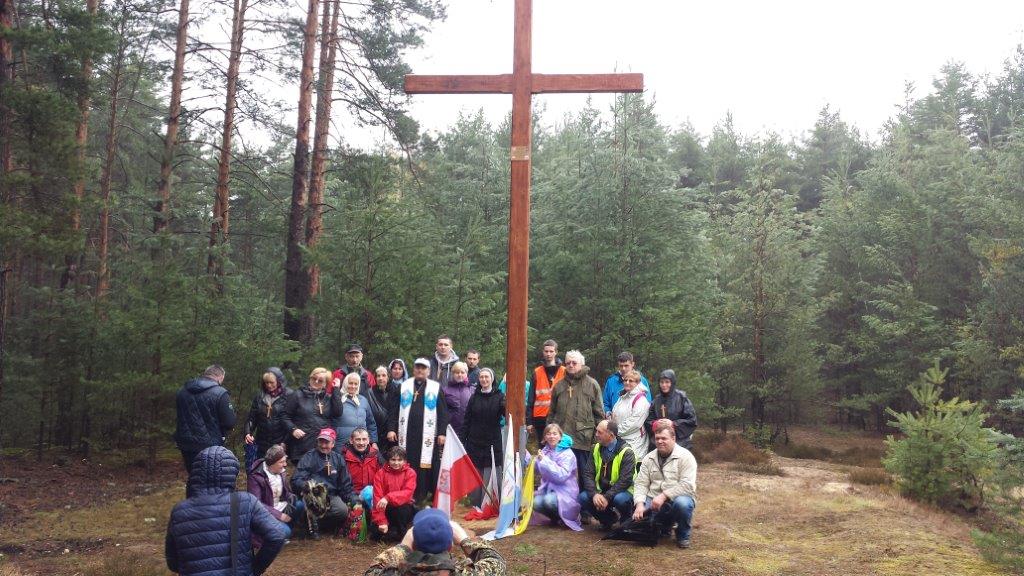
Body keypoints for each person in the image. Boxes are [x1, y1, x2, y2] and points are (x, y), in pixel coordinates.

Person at [166, 446, 284, 576]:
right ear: (231, 474)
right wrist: (255, 569)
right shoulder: (245, 502)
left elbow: (172, 562)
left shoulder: (179, 511)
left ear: (196, 474)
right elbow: (277, 535)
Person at [364, 509, 507, 576]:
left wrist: (404, 546)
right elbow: (496, 561)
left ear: (413, 545)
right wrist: (465, 539)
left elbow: (373, 570)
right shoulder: (466, 574)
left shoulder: (393, 574)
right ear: (450, 546)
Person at [387, 358, 449, 503]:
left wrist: (441, 432)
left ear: (428, 371)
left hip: (427, 436)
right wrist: (391, 429)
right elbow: (393, 411)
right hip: (406, 436)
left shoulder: (435, 388)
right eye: (418, 368)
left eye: (423, 368)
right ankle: (407, 495)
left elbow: (443, 413)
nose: (420, 370)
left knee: (425, 465)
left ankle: (424, 496)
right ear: (413, 369)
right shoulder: (403, 387)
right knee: (408, 462)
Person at [632, 419, 697, 549]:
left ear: (673, 438)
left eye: (664, 438)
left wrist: (664, 496)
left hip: (677, 499)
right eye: (657, 438)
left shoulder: (686, 457)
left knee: (683, 505)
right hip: (653, 499)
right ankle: (664, 527)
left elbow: (688, 485)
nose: (660, 441)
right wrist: (639, 505)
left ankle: (682, 534)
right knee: (638, 520)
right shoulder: (648, 458)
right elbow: (641, 484)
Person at [547, 350, 604, 479]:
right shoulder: (559, 386)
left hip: (584, 440)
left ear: (581, 364)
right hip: (561, 441)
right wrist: (549, 434)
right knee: (562, 477)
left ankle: (585, 499)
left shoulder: (592, 385)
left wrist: (596, 440)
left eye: (574, 363)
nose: (571, 365)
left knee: (585, 477)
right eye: (568, 363)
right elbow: (551, 413)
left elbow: (599, 415)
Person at [291, 428, 354, 539]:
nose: (323, 445)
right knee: (310, 504)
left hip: (331, 495)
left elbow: (345, 483)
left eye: (327, 442)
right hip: (313, 495)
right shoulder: (308, 457)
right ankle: (311, 528)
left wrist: (353, 499)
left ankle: (324, 525)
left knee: (343, 510)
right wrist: (308, 486)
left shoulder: (338, 459)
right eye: (321, 441)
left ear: (333, 443)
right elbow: (296, 479)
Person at [173, 365, 236, 475]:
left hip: (186, 444)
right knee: (209, 479)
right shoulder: (220, 393)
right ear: (220, 377)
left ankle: (192, 492)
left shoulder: (183, 391)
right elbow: (229, 422)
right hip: (210, 445)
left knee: (193, 476)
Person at [578, 420, 635, 530]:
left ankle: (626, 521)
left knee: (620, 500)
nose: (596, 434)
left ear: (611, 435)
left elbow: (625, 480)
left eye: (599, 432)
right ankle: (608, 519)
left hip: (623, 491)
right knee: (583, 497)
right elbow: (588, 474)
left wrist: (607, 497)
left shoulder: (627, 452)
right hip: (602, 491)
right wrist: (594, 494)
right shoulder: (595, 448)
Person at [461, 368, 505, 506]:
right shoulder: (474, 397)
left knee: (490, 471)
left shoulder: (500, 396)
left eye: (487, 377)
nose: (484, 380)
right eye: (481, 377)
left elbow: (507, 414)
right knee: (476, 472)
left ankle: (490, 503)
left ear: (492, 379)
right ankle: (475, 503)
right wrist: (462, 440)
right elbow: (467, 420)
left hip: (492, 441)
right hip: (474, 441)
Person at [281, 367, 340, 464]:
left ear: (325, 384)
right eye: (313, 378)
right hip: (302, 444)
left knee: (321, 478)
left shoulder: (328, 398)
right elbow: (284, 416)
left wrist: (336, 389)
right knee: (302, 477)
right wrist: (293, 429)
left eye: (320, 381)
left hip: (323, 445)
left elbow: (338, 412)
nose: (316, 381)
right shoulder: (298, 395)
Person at [247, 444, 305, 541]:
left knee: (299, 505)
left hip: (279, 506)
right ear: (272, 463)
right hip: (264, 513)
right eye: (281, 462)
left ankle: (284, 530)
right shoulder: (255, 476)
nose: (285, 464)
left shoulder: (281, 471)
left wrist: (290, 496)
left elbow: (285, 492)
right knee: (285, 532)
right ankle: (280, 533)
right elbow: (256, 504)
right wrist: (279, 515)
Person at [530, 423, 582, 531]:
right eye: (548, 434)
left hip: (565, 491)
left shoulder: (567, 453)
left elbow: (561, 476)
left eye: (555, 434)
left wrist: (545, 460)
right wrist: (527, 458)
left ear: (560, 436)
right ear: (544, 437)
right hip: (548, 489)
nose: (551, 436)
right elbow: (537, 468)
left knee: (548, 501)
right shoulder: (545, 451)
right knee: (535, 502)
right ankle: (555, 518)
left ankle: (564, 518)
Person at [244, 368, 292, 470]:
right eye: (266, 383)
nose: (269, 385)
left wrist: (285, 442)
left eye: (271, 382)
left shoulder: (289, 396)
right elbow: (251, 418)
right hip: (261, 442)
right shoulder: (259, 396)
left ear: (279, 382)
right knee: (260, 472)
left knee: (277, 472)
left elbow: (292, 421)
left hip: (280, 442)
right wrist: (248, 432)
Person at [371, 446, 417, 541]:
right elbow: (377, 499)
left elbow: (407, 493)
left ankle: (401, 532)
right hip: (385, 508)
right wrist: (381, 521)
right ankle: (390, 529)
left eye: (400, 460)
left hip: (403, 508)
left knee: (401, 510)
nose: (396, 463)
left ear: (405, 461)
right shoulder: (380, 473)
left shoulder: (410, 473)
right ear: (388, 460)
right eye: (393, 459)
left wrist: (388, 497)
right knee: (375, 535)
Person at [646, 369, 698, 449]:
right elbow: (648, 421)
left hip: (679, 443)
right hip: (659, 444)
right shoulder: (656, 400)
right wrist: (656, 423)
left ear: (672, 383)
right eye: (661, 382)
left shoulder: (681, 398)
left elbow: (692, 420)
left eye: (667, 382)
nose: (664, 385)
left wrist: (673, 424)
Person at [527, 339, 564, 445]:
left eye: (551, 351)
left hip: (559, 417)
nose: (548, 354)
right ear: (543, 352)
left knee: (559, 448)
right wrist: (529, 422)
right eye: (546, 351)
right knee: (542, 448)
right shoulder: (537, 372)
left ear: (556, 352)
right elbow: (531, 399)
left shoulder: (564, 371)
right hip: (540, 418)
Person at [611, 370, 651, 460]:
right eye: (625, 380)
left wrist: (614, 432)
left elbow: (634, 423)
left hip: (634, 443)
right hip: (620, 440)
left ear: (638, 383)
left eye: (631, 381)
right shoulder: (622, 397)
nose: (627, 383)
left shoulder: (641, 400)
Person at [336, 372, 379, 450]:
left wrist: (373, 442)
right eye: (350, 383)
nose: (353, 386)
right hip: (341, 444)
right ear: (345, 383)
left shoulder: (363, 400)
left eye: (356, 384)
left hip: (361, 445)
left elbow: (371, 423)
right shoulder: (338, 399)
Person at [602, 352, 652, 417]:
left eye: (626, 365)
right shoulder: (611, 381)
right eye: (621, 366)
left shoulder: (642, 380)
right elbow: (606, 403)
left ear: (632, 364)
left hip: (636, 420)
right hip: (615, 420)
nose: (623, 369)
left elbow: (648, 402)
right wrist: (607, 412)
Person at [343, 427, 381, 510]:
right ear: (351, 440)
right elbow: (342, 481)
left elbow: (382, 477)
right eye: (358, 439)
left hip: (373, 492)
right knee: (357, 508)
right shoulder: (344, 456)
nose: (361, 443)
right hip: (352, 494)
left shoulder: (376, 454)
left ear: (368, 440)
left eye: (364, 439)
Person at [443, 361, 474, 433]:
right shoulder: (445, 390)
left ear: (466, 374)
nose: (460, 375)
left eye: (462, 372)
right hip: (450, 431)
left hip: (468, 431)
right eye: (457, 372)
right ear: (453, 374)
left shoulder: (473, 390)